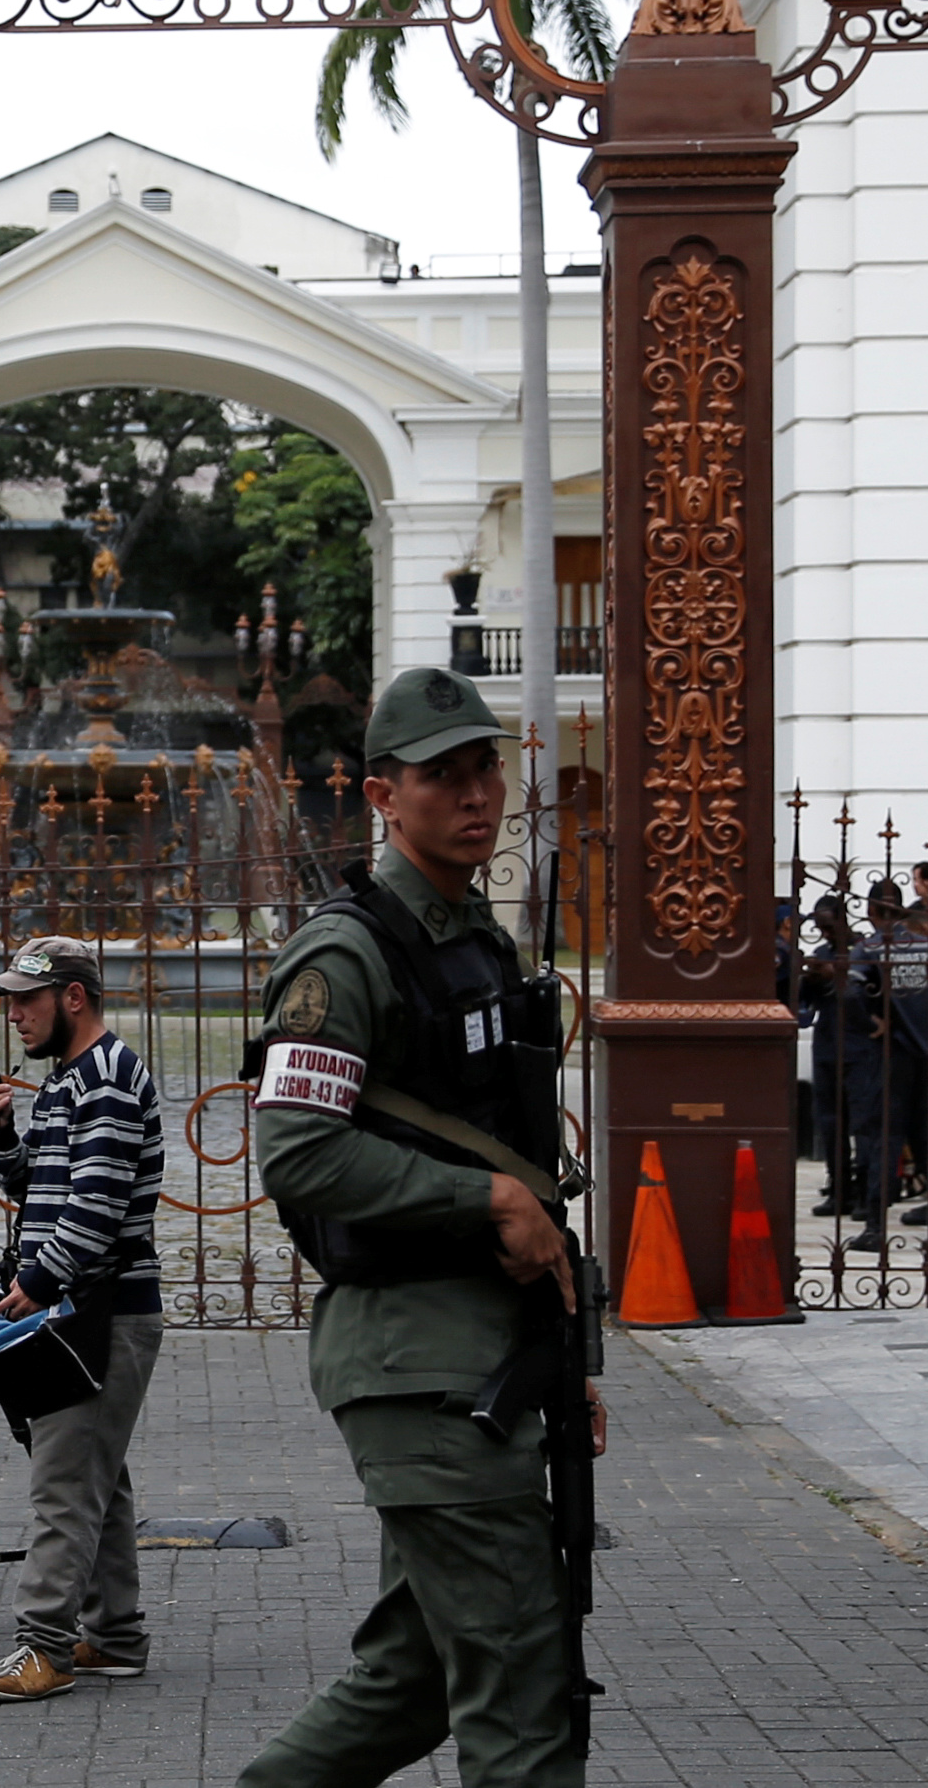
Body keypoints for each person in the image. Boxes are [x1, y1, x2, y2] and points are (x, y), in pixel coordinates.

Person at [236, 667, 603, 1788]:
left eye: (485, 766)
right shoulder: (345, 952)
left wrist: (557, 1359)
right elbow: (296, 1147)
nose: (477, 794)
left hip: (480, 1365)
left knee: (420, 1678)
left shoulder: (476, 939)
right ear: (381, 794)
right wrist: (483, 1198)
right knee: (523, 1695)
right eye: (444, 775)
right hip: (415, 1366)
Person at [0, 937, 166, 1704]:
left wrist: (39, 1279)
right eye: (9, 1000)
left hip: (98, 1309)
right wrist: (4, 1134)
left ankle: (42, 1645)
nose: (11, 1014)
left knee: (62, 1484)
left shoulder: (107, 1078)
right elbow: (41, 1190)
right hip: (86, 1304)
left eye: (25, 1000)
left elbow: (97, 1203)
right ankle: (114, 1638)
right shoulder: (68, 1081)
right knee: (95, 1479)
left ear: (72, 998)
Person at [852, 879, 928, 1251]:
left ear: (871, 911)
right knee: (927, 1139)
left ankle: (876, 1227)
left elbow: (850, 993)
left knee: (885, 1140)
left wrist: (872, 1025)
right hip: (926, 1056)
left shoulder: (871, 947)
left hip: (891, 1056)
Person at [793, 895, 879, 1221]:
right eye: (819, 928)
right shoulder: (822, 954)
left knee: (863, 1122)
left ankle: (866, 1192)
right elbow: (804, 1003)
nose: (825, 934)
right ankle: (838, 1188)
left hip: (860, 1045)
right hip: (828, 1043)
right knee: (830, 1122)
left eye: (829, 927)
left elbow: (870, 995)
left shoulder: (865, 952)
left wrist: (837, 975)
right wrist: (811, 978)